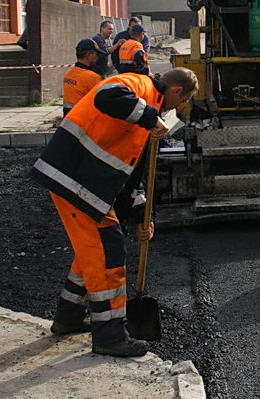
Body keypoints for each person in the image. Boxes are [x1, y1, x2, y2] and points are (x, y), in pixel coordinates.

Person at [30, 68, 199, 357]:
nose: (175, 109)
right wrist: (150, 116)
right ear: (177, 91)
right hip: (74, 177)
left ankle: (68, 317)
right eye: (180, 102)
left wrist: (142, 217)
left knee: (91, 252)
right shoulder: (140, 85)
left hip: (86, 183)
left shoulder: (149, 112)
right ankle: (109, 336)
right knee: (107, 253)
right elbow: (108, 95)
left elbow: (132, 175)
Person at [62, 39, 102, 117]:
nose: (97, 57)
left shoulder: (68, 74)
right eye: (96, 54)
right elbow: (100, 103)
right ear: (88, 55)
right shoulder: (92, 77)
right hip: (83, 119)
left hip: (68, 118)